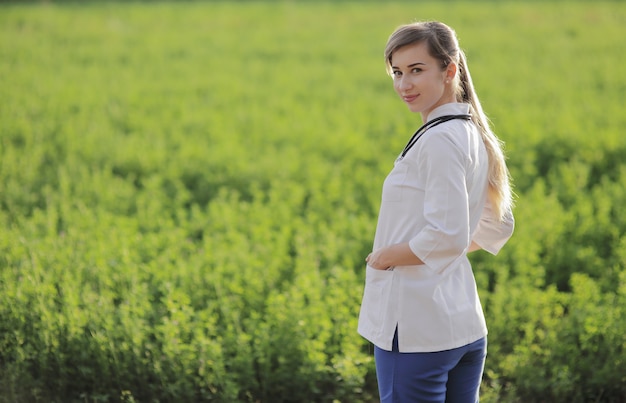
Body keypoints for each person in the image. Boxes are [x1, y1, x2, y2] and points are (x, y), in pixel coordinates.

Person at [357, 21, 515, 403]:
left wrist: (385, 257)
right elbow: (497, 224)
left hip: (416, 329)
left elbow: (447, 235)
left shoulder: (441, 139)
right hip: (461, 326)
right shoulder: (469, 131)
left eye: (416, 70)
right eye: (397, 72)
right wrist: (445, 253)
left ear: (450, 71)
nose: (404, 84)